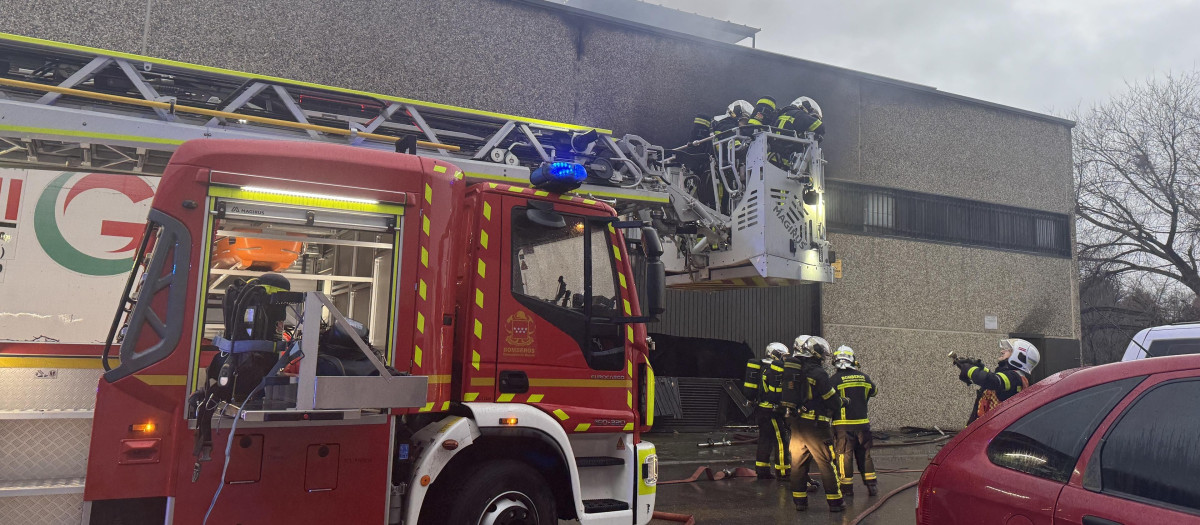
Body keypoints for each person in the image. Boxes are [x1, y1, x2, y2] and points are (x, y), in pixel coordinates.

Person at [782, 335, 846, 512]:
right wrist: (842, 401)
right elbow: (832, 400)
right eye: (819, 352)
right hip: (816, 427)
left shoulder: (795, 370)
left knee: (797, 464)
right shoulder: (817, 373)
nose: (821, 356)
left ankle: (800, 502)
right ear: (810, 352)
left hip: (796, 424)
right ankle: (836, 503)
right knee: (826, 462)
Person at [830, 345, 879, 497]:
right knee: (865, 454)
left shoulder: (834, 380)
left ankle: (846, 488)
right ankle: (871, 485)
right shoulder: (864, 377)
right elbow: (874, 391)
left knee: (844, 455)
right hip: (863, 424)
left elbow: (828, 400)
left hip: (843, 426)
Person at [955, 338, 1039, 424]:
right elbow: (993, 379)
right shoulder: (1014, 376)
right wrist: (979, 367)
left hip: (991, 430)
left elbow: (990, 380)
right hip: (985, 429)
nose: (1002, 351)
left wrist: (969, 369)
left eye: (1008, 350)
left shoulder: (1014, 377)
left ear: (1019, 356)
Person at [744, 342, 790, 479]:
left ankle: (762, 470)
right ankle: (783, 472)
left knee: (765, 439)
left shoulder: (761, 368)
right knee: (781, 440)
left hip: (761, 409)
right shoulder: (774, 370)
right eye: (782, 355)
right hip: (772, 411)